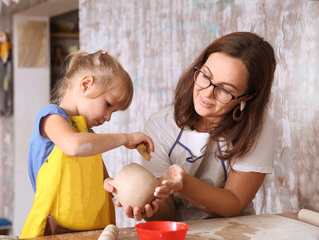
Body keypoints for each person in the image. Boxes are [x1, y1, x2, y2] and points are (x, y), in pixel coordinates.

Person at [105, 31, 276, 222]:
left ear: (248, 96)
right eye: (205, 76)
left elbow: (234, 203)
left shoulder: (256, 126)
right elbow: (167, 215)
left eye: (225, 89)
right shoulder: (161, 125)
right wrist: (149, 203)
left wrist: (183, 182)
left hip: (236, 230)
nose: (207, 93)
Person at [20, 50, 154, 238]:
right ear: (85, 84)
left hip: (93, 233)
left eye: (113, 112)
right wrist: (124, 138)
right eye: (108, 104)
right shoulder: (52, 117)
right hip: (53, 232)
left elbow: (105, 183)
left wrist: (132, 193)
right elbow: (74, 145)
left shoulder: (88, 136)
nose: (108, 117)